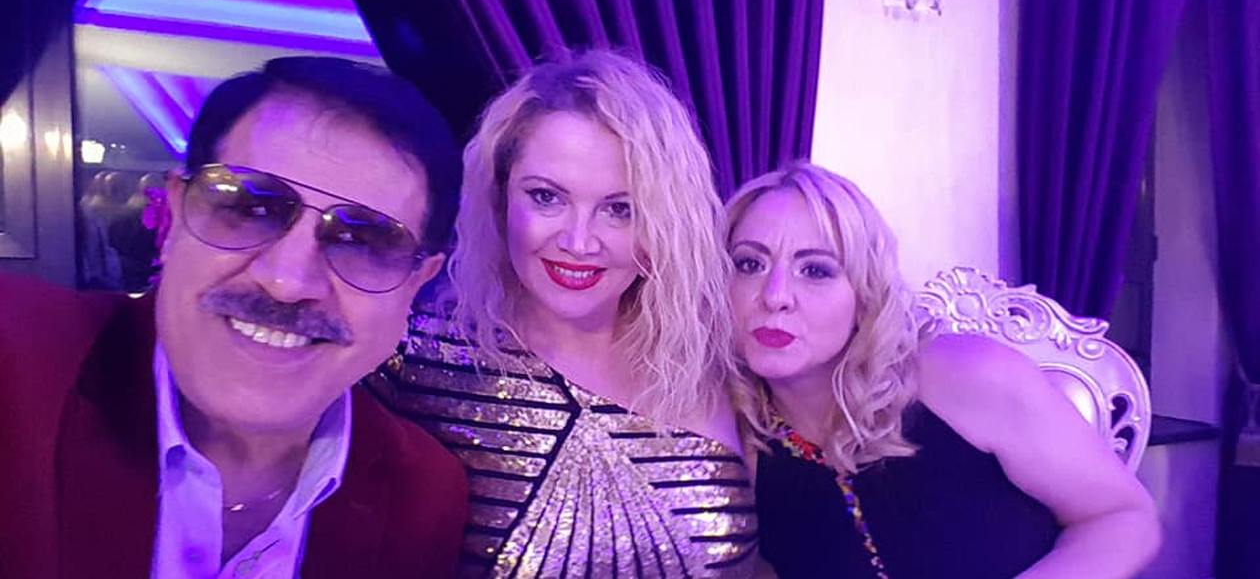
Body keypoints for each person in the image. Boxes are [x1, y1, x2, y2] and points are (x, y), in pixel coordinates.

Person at [0, 57, 469, 579]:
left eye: (363, 241)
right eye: (249, 208)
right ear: (173, 218)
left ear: (417, 283)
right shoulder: (14, 362)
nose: (287, 282)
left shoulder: (423, 495)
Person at [370, 50, 757, 578]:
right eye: (546, 197)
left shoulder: (718, 369)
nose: (578, 241)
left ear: (664, 224)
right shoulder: (409, 357)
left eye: (620, 209)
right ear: (500, 198)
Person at [726, 162, 1161, 579]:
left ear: (864, 295)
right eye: (749, 264)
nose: (775, 296)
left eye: (815, 270)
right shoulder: (730, 433)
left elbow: (1124, 518)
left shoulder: (970, 377)